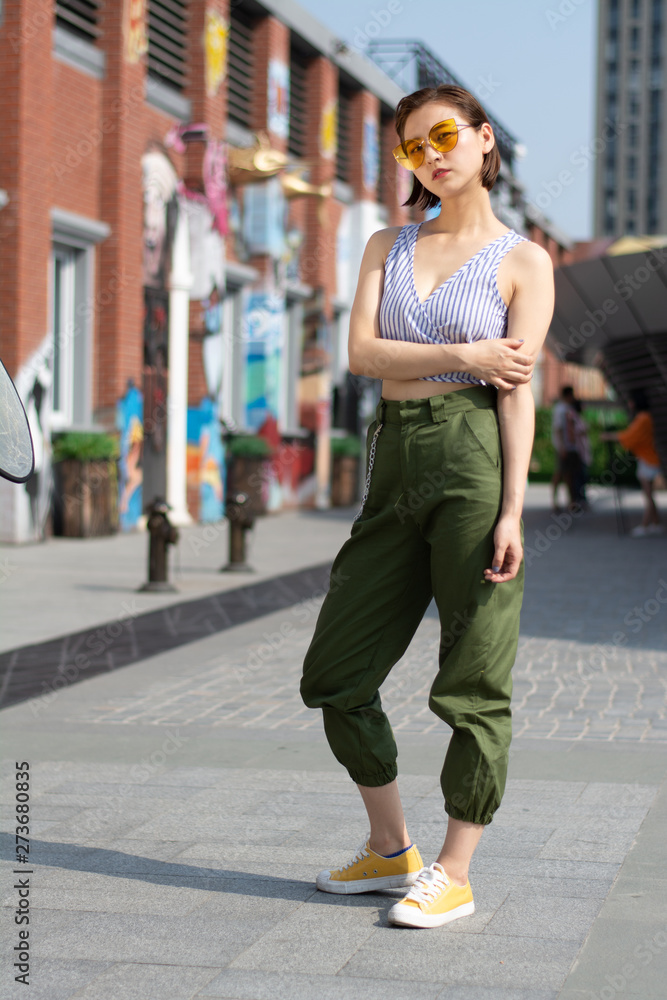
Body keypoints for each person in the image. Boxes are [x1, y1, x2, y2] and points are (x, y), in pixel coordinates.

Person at [299, 84, 554, 929]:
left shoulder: (523, 261)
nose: (431, 155)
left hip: (473, 458)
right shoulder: (387, 244)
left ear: (484, 139)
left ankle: (453, 868)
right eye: (413, 147)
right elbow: (364, 353)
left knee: (473, 675)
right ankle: (390, 848)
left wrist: (513, 510)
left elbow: (516, 393)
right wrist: (465, 350)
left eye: (444, 136)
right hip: (395, 454)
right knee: (335, 672)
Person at [601, 389, 663, 536]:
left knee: (648, 495)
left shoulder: (643, 418)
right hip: (648, 459)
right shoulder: (646, 417)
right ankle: (655, 523)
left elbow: (630, 436)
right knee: (650, 495)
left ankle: (646, 525)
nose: (629, 404)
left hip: (648, 460)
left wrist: (609, 436)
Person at [551, 385, 583, 511]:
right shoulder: (561, 409)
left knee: (569, 474)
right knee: (560, 473)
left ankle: (571, 502)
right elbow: (558, 429)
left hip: (569, 447)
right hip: (564, 447)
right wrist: (561, 447)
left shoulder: (566, 408)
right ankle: (556, 502)